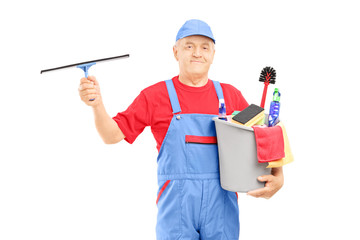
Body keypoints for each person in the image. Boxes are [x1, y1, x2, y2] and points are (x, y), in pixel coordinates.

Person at [78, 19, 284, 240]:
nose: (197, 53)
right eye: (189, 46)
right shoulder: (154, 96)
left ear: (213, 54)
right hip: (177, 206)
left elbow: (267, 136)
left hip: (221, 204)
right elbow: (111, 135)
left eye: (205, 47)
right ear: (175, 52)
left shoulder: (230, 95)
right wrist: (97, 104)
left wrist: (278, 176)